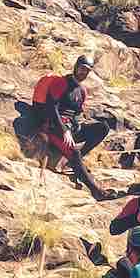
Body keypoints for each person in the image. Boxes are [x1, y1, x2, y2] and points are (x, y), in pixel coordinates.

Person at [29, 54, 111, 200]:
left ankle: (70, 162)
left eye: (87, 70)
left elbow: (76, 114)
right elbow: (50, 107)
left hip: (70, 128)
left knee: (102, 128)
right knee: (75, 153)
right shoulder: (61, 83)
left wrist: (75, 127)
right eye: (82, 68)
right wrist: (64, 130)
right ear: (76, 66)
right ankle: (96, 191)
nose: (83, 72)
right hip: (54, 128)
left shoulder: (82, 91)